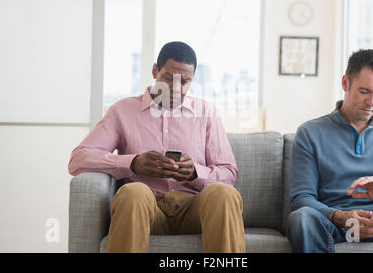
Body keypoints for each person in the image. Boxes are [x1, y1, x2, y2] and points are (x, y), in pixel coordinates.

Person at [68, 41, 245, 253]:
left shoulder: (206, 112)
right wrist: (132, 163)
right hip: (146, 207)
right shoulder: (122, 111)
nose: (176, 89)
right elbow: (79, 159)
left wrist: (195, 172)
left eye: (185, 82)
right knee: (133, 192)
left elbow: (228, 172)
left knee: (224, 194)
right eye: (169, 78)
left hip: (194, 208)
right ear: (155, 71)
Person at [287, 49, 373, 253]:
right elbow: (301, 199)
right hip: (333, 226)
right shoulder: (310, 133)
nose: (372, 103)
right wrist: (341, 217)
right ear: (345, 83)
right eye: (364, 92)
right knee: (301, 218)